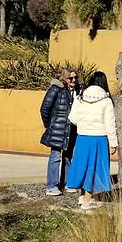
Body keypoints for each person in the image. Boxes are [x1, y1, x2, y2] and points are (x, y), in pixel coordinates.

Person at [66, 71, 118, 210]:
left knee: (83, 165)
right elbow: (110, 123)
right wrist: (113, 143)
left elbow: (72, 118)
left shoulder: (80, 97)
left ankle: (83, 196)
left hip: (82, 137)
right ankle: (87, 201)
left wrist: (84, 124)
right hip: (99, 138)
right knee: (94, 168)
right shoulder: (106, 100)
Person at [40, 67, 79, 196]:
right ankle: (52, 186)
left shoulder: (78, 90)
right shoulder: (56, 89)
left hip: (71, 129)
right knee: (55, 157)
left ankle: (68, 183)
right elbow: (44, 108)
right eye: (70, 78)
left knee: (69, 157)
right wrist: (50, 125)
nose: (74, 80)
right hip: (57, 129)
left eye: (75, 77)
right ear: (64, 78)